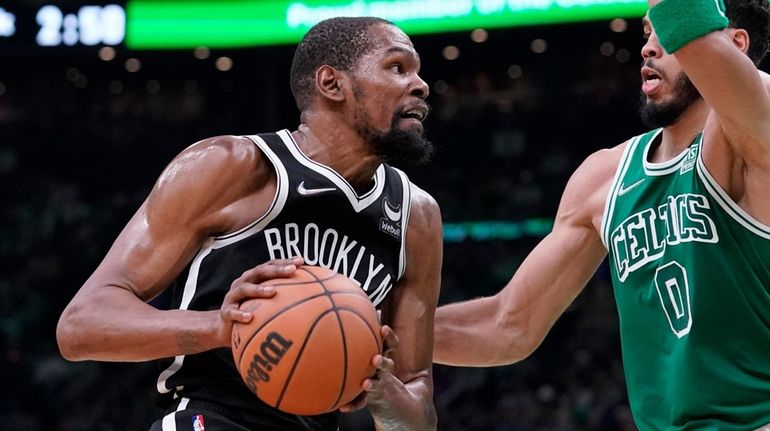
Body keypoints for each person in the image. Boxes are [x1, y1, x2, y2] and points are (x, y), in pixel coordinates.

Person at [56, 16, 441, 431]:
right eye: (398, 68)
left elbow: (418, 414)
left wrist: (387, 394)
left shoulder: (416, 217)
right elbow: (82, 325)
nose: (420, 85)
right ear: (332, 84)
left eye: (418, 72)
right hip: (209, 417)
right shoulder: (232, 166)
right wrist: (221, 327)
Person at [433, 0, 770, 429]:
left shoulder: (754, 133)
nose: (648, 48)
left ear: (736, 43)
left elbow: (692, 23)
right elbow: (509, 324)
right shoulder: (604, 176)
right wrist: (389, 333)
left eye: (661, 33)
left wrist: (684, 23)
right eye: (645, 32)